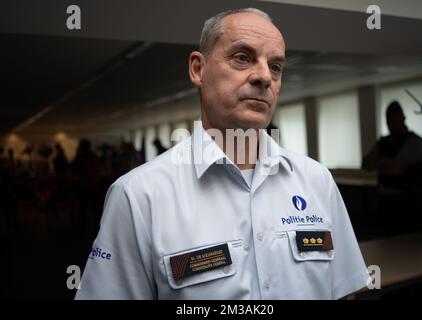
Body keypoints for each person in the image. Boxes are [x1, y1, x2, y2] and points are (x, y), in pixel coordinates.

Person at [76, 8, 368, 300]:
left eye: (276, 66)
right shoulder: (139, 196)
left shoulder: (316, 180)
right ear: (198, 69)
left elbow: (344, 291)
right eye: (243, 57)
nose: (265, 76)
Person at [362, 101, 422, 236]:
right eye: (388, 119)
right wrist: (386, 163)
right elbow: (365, 164)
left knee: (410, 247)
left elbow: (396, 169)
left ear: (402, 118)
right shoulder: (383, 142)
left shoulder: (414, 141)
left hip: (408, 205)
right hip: (385, 204)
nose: (390, 123)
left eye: (394, 118)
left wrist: (379, 163)